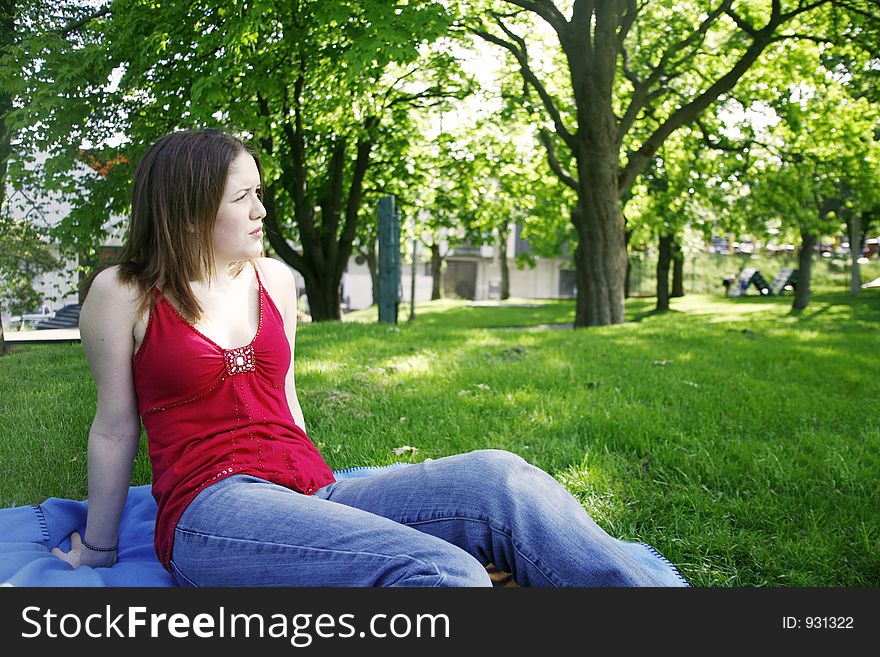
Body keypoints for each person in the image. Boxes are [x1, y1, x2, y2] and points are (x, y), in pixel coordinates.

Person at [52, 129, 688, 587]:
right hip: (210, 510)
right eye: (243, 196)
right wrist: (101, 549)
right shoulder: (124, 294)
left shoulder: (273, 278)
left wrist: (323, 507)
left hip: (311, 491)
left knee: (501, 479)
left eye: (259, 191)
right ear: (189, 209)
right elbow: (115, 427)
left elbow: (286, 399)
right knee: (445, 574)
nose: (262, 208)